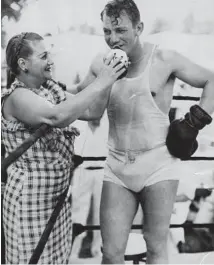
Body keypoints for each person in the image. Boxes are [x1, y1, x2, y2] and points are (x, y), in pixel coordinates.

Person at [70, 0, 214, 263]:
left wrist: (194, 122)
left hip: (158, 165)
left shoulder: (163, 58)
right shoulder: (100, 63)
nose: (113, 39)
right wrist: (44, 92)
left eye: (120, 30)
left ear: (139, 28)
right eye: (106, 31)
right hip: (117, 165)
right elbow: (87, 109)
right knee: (111, 252)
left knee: (156, 247)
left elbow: (212, 80)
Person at [1, 32, 126, 264]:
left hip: (55, 203)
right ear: (23, 64)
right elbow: (57, 116)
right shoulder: (17, 97)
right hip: (29, 204)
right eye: (44, 55)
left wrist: (108, 76)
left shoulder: (48, 90)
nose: (51, 60)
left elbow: (92, 112)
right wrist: (103, 80)